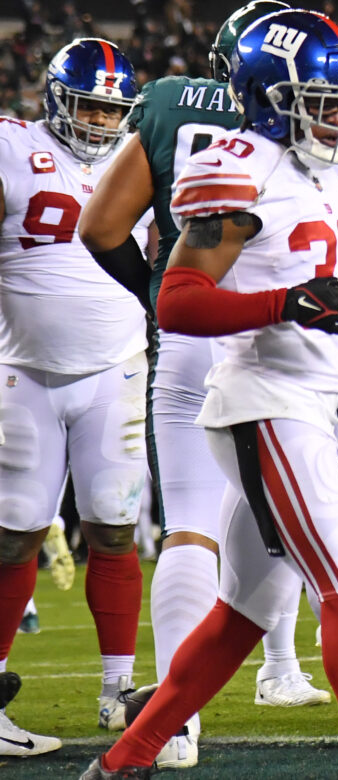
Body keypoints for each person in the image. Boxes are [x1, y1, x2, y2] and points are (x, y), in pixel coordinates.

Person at [81, 9, 338, 778]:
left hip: (307, 402)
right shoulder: (238, 167)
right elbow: (178, 302)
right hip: (265, 404)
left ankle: (125, 760)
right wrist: (287, 303)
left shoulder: (321, 167)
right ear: (272, 97)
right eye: (321, 101)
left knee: (245, 612)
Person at [0, 37, 146, 758]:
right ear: (57, 99)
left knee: (114, 526)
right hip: (20, 370)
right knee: (14, 532)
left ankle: (119, 691)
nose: (99, 120)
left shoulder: (142, 157)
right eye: (88, 105)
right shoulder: (11, 145)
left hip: (116, 370)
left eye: (111, 110)